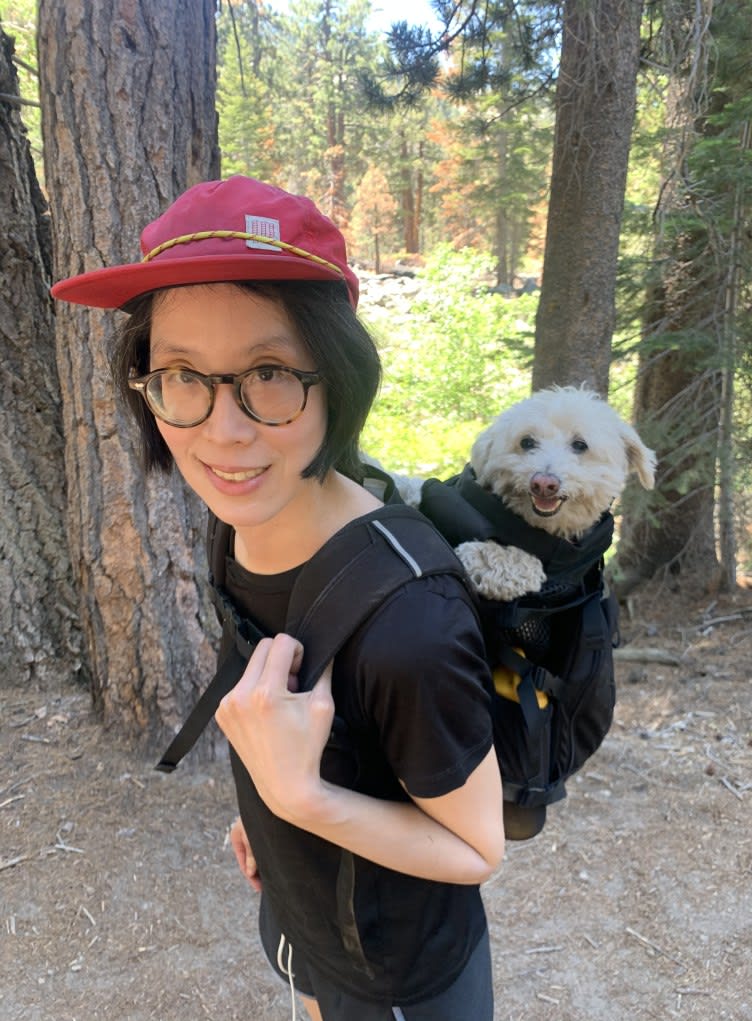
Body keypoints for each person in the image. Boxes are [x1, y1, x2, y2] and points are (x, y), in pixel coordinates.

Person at [52, 176, 505, 1021]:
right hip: (305, 925)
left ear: (336, 376)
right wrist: (273, 824)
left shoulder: (410, 621)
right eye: (182, 376)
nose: (223, 431)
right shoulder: (245, 523)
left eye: (266, 371)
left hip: (397, 978)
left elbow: (477, 848)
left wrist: (302, 802)